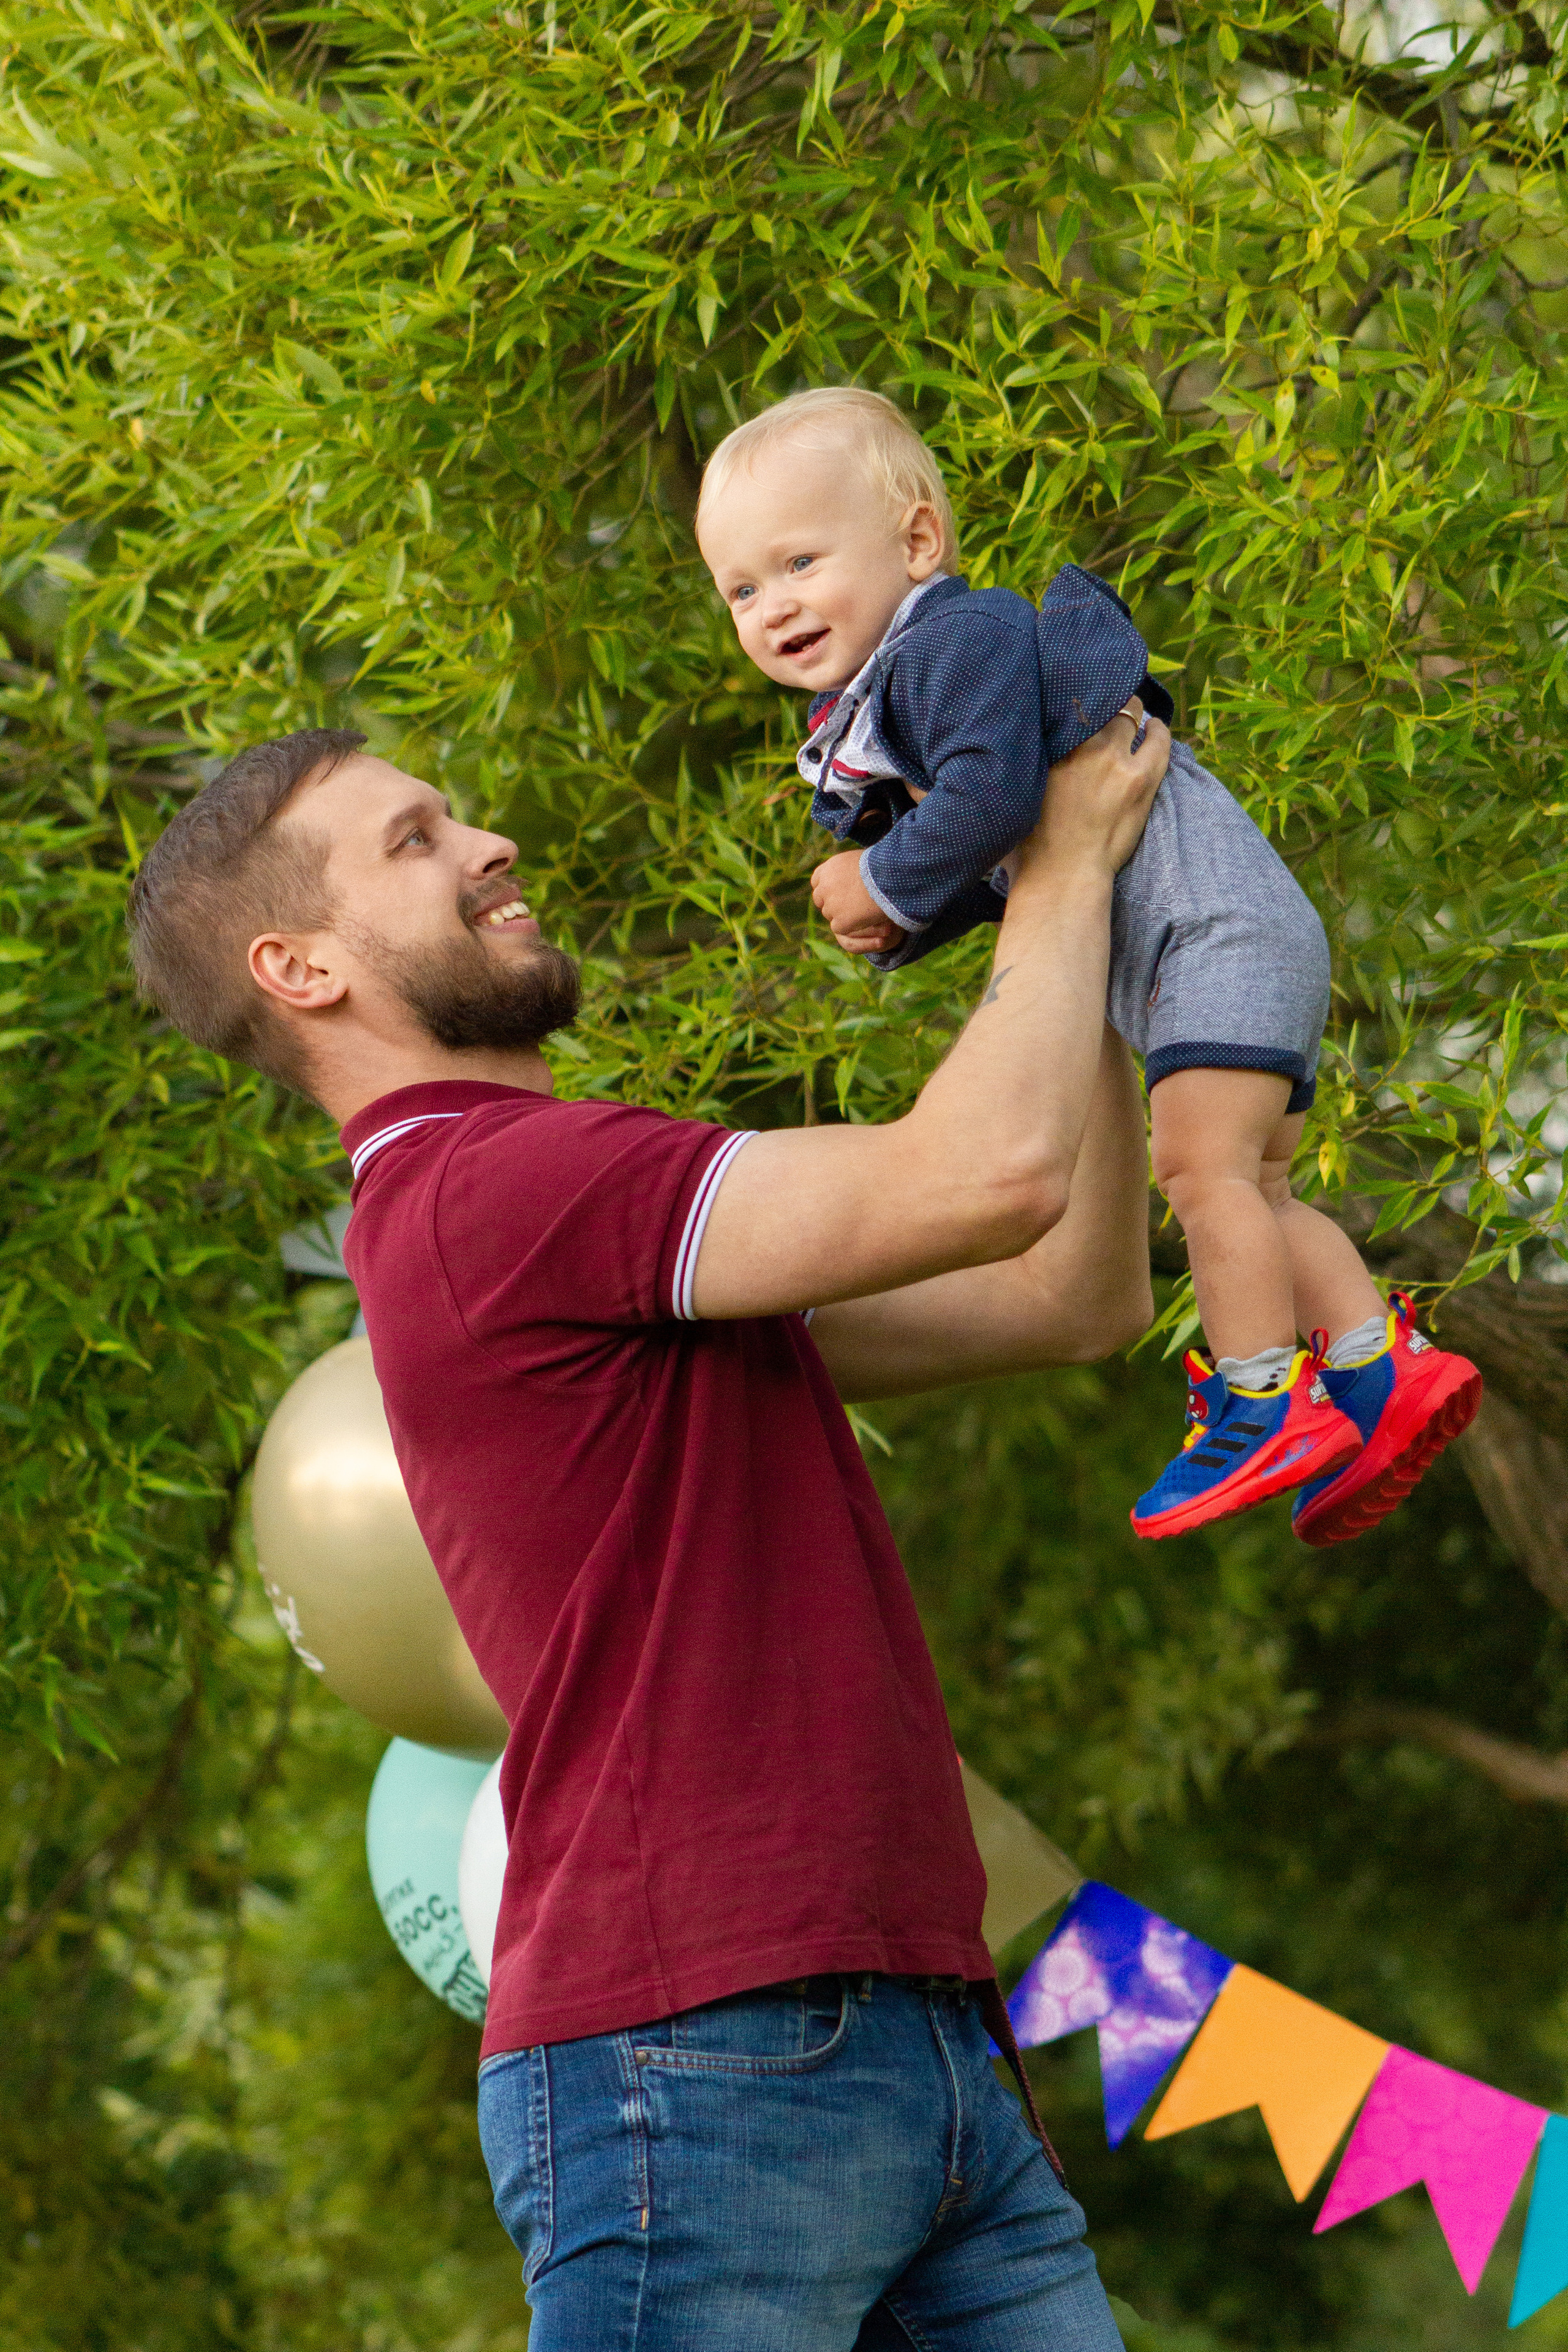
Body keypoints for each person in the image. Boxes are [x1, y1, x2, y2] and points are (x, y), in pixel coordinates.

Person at [129, 712, 1163, 2350]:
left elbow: (1072, 1291)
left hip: (917, 2030)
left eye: (454, 815)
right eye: (414, 843)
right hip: (705, 2060)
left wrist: (1102, 914)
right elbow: (990, 1177)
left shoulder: (571, 1232)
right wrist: (1056, 860)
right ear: (302, 969)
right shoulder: (494, 1193)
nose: (489, 848)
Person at [695, 385, 1482, 1547]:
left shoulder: (947, 647)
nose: (774, 607)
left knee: (1201, 1179)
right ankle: (1378, 1374)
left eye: (800, 561)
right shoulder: (920, 685)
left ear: (917, 541)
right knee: (1255, 1189)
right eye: (743, 591)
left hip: (1207, 933)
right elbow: (1018, 839)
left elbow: (999, 799)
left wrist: (885, 880)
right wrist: (911, 914)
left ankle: (1262, 1399)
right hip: (1238, 933)